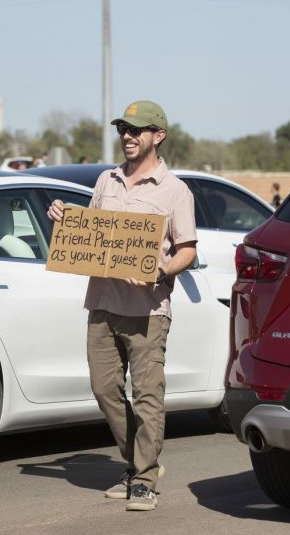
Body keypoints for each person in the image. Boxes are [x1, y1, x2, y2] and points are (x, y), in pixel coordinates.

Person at [47, 100, 197, 512]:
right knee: (104, 389)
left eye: (136, 130)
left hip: (149, 310)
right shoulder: (106, 181)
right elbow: (94, 234)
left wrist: (162, 270)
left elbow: (188, 250)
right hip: (103, 303)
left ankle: (144, 478)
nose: (128, 137)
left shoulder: (175, 191)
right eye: (123, 130)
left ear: (158, 135)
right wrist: (65, 220)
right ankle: (139, 463)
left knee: (148, 395)